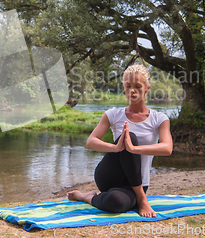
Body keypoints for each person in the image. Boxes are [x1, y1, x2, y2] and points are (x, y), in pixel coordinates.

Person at [67, 64, 173, 217]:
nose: (132, 90)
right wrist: (116, 148)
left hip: (138, 182)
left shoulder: (159, 118)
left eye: (137, 86)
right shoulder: (113, 114)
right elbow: (91, 142)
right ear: (124, 87)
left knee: (115, 202)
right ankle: (142, 199)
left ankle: (87, 197)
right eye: (128, 86)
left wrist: (134, 149)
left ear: (147, 88)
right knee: (130, 137)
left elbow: (167, 148)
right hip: (110, 176)